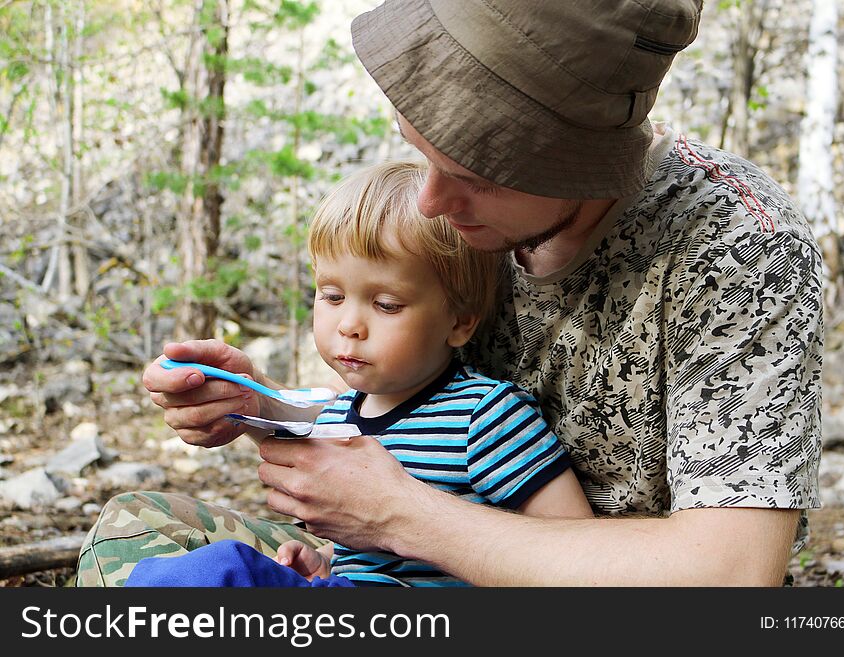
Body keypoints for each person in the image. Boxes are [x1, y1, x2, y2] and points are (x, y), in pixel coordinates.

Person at [78, 0, 822, 587]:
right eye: (422, 152)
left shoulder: (739, 248)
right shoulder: (478, 223)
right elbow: (422, 404)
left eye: (476, 170)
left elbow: (730, 575)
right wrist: (257, 405)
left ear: (575, 162)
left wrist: (403, 517)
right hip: (422, 563)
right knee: (135, 531)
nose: (433, 200)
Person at [90, 162, 592, 588]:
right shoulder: (339, 412)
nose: (349, 325)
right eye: (331, 296)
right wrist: (326, 563)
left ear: (459, 321)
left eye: (388, 304)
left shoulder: (485, 416)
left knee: (220, 573)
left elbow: (569, 543)